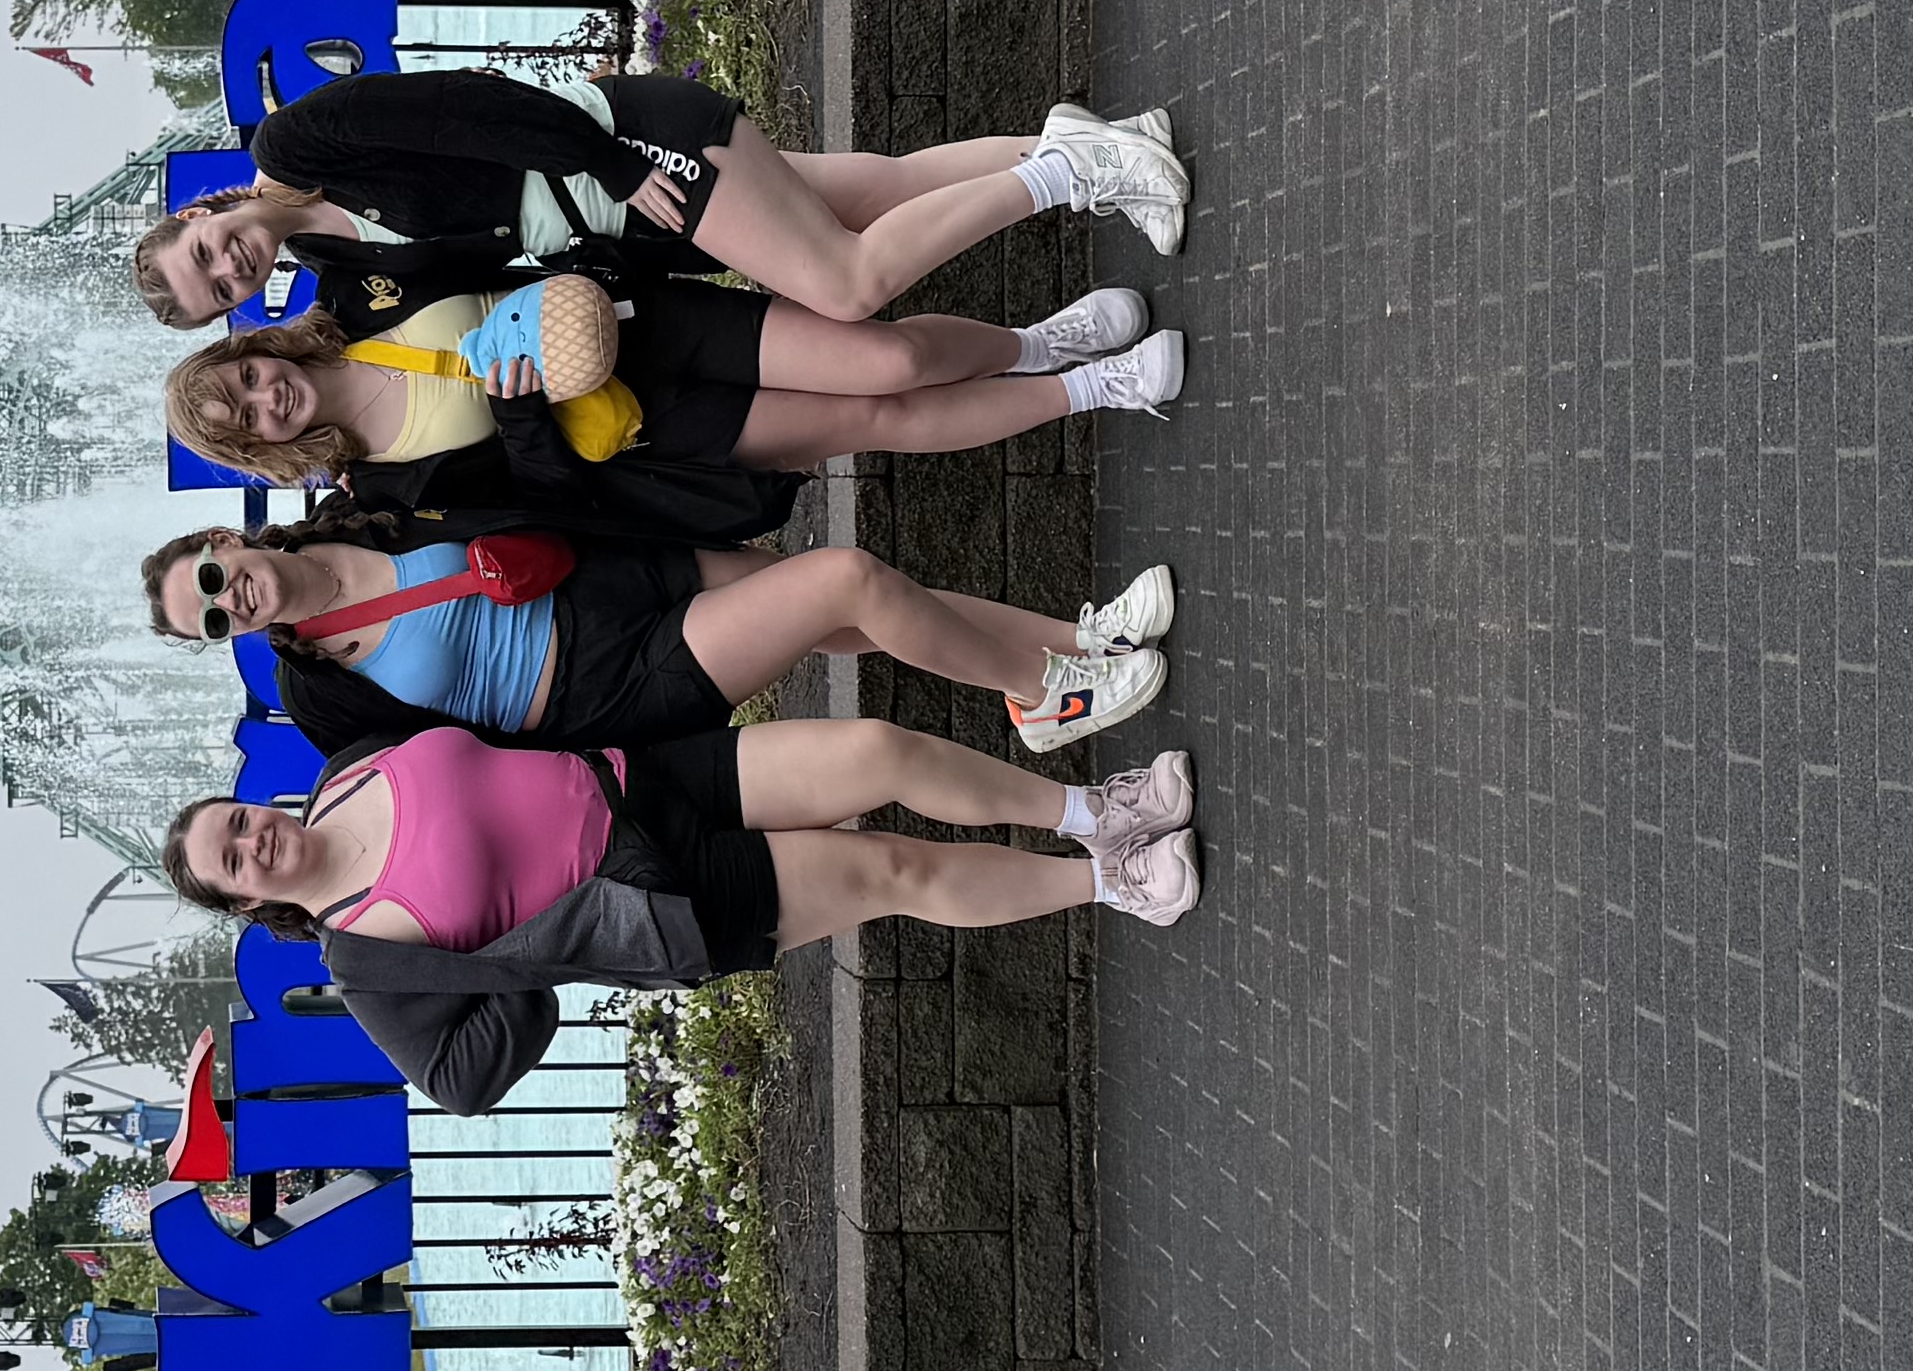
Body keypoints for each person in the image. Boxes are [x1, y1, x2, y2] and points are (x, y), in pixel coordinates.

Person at [160, 720, 1200, 1113]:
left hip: (646, 777)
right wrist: (524, 979)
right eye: (235, 859)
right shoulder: (362, 956)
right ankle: (1118, 885)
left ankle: (1101, 813)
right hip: (658, 901)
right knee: (895, 868)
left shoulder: (345, 771)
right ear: (247, 901)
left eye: (241, 819)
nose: (256, 838)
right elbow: (460, 1079)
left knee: (878, 751)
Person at [128, 69, 1191, 330]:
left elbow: (470, 107)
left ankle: (1078, 175)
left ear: (201, 210)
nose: (232, 266)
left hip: (619, 149)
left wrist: (612, 163)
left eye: (208, 249)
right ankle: (1096, 146)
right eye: (219, 289)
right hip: (616, 213)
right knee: (884, 194)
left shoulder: (295, 138)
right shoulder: (329, 267)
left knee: (849, 285)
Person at [143, 514, 1181, 759]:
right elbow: (443, 772)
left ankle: (1076, 641)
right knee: (849, 580)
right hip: (601, 685)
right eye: (217, 623)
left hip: (610, 574)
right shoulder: (324, 692)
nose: (235, 600)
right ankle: (1046, 696)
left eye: (210, 579)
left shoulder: (364, 506)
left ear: (221, 539)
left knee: (849, 614)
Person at [156, 297, 1181, 532]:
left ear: (252, 350)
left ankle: (1040, 344)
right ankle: (1094, 388)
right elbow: (539, 497)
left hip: (651, 332)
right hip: (647, 434)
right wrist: (515, 415)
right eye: (249, 423)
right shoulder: (379, 484)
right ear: (264, 450)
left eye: (245, 379)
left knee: (888, 353)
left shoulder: (361, 292)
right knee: (876, 416)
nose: (266, 400)